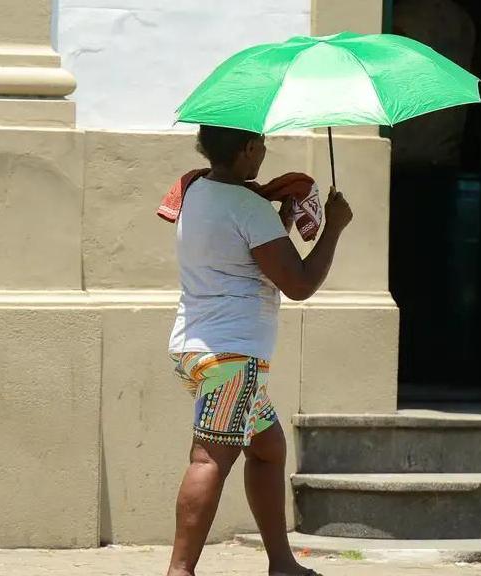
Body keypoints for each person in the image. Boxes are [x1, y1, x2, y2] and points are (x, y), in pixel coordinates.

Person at [165, 125, 353, 576]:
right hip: (234, 356)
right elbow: (299, 284)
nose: (265, 151)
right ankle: (179, 571)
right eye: (263, 144)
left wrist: (279, 222)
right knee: (209, 459)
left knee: (267, 448)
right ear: (248, 148)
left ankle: (281, 563)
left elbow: (243, 257)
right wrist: (333, 228)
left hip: (195, 349)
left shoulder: (195, 192)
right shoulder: (249, 206)